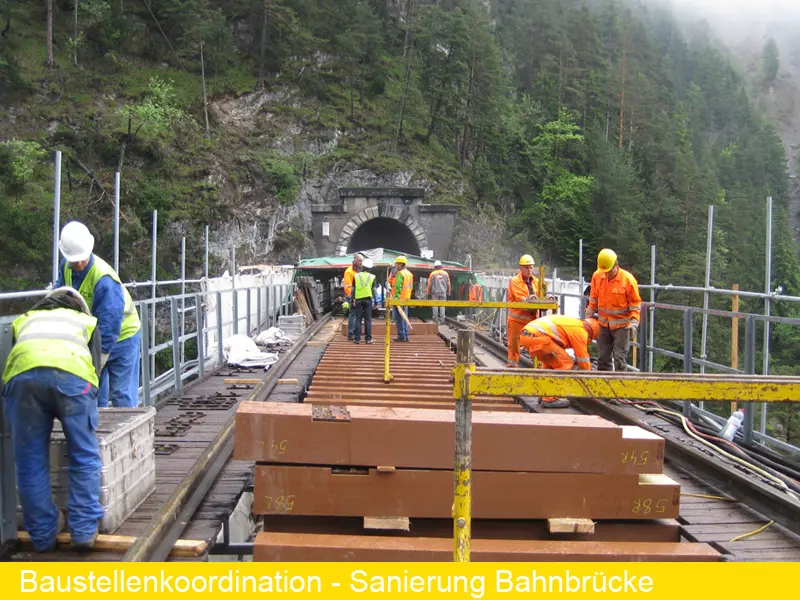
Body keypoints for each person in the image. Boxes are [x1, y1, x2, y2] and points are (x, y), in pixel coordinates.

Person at [2, 287, 104, 552]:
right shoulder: (86, 321)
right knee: (83, 453)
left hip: (22, 382)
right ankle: (82, 531)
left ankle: (43, 535)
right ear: (78, 307)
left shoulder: (24, 320)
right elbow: (95, 370)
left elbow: (19, 357)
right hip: (73, 379)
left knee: (29, 461)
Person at [55, 221, 142, 408]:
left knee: (121, 395)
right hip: (93, 336)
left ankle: (129, 435)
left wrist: (99, 359)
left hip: (124, 337)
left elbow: (110, 327)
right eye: (74, 259)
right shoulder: (65, 266)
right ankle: (96, 434)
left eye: (81, 258)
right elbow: (60, 295)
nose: (78, 263)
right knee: (93, 393)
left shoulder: (104, 280)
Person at [520, 315, 601, 408]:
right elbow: (583, 358)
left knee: (550, 366)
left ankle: (544, 393)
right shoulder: (581, 332)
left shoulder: (574, 324)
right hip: (539, 337)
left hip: (526, 335)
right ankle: (550, 399)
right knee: (566, 363)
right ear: (592, 333)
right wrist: (588, 378)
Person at [586, 248, 642, 372]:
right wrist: (590, 309)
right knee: (603, 358)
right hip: (603, 324)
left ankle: (620, 387)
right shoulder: (598, 275)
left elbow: (635, 304)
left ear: (616, 265)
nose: (607, 274)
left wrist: (634, 322)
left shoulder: (627, 280)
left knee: (619, 358)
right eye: (604, 271)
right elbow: (594, 296)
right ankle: (604, 387)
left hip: (622, 326)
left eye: (609, 271)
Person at [506, 254, 546, 367]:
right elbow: (522, 299)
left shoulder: (536, 282)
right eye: (527, 267)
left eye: (531, 267)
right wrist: (534, 301)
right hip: (516, 320)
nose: (529, 270)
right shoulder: (515, 281)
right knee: (514, 347)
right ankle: (512, 368)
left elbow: (540, 296)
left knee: (536, 345)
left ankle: (538, 367)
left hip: (531, 321)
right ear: (521, 268)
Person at [353, 258, 376, 344]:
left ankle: (357, 339)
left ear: (362, 266)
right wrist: (376, 301)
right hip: (368, 299)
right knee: (368, 319)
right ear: (370, 268)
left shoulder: (356, 276)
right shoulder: (372, 277)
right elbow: (374, 290)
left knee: (358, 319)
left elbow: (353, 289)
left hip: (358, 299)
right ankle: (368, 339)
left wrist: (352, 299)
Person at [392, 255, 413, 342]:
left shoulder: (400, 274)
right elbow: (410, 287)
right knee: (405, 317)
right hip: (406, 299)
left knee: (399, 318)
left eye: (397, 264)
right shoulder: (409, 274)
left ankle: (401, 336)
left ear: (401, 264)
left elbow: (398, 288)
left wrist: (395, 299)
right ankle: (406, 335)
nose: (396, 265)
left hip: (399, 299)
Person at [343, 253, 363, 340]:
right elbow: (348, 287)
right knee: (353, 315)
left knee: (357, 315)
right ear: (354, 261)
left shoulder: (358, 271)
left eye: (362, 261)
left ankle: (355, 332)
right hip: (352, 296)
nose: (361, 263)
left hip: (358, 296)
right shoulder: (349, 272)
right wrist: (353, 298)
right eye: (359, 261)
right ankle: (351, 334)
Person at [426, 260, 451, 325]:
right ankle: (442, 321)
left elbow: (429, 284)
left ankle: (435, 321)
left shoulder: (433, 274)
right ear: (441, 266)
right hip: (443, 292)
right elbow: (448, 283)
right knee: (442, 306)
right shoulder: (445, 273)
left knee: (435, 306)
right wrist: (448, 291)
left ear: (435, 267)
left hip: (434, 293)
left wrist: (428, 292)